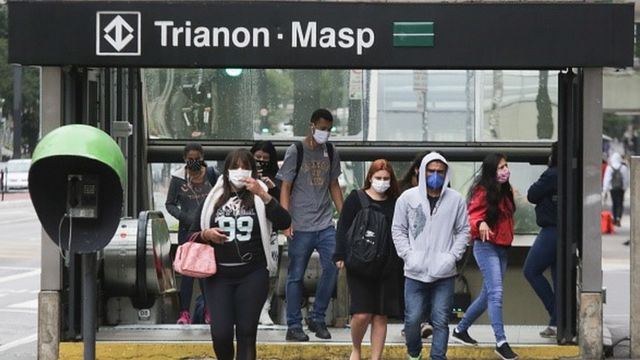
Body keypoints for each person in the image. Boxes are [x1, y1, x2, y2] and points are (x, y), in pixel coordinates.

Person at [189, 149, 291, 360]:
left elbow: (284, 222)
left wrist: (262, 194)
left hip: (252, 274)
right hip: (218, 276)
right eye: (235, 167)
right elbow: (191, 234)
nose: (240, 171)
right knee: (221, 333)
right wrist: (206, 234)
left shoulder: (261, 196)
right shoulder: (214, 198)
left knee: (246, 333)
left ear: (253, 171)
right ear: (226, 171)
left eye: (245, 167)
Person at [392, 152, 469, 360]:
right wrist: (408, 255)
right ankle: (414, 354)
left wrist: (452, 257)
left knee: (441, 319)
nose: (435, 175)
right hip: (414, 271)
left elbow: (463, 231)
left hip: (444, 273)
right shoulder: (408, 198)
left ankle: (438, 357)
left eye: (440, 172)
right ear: (422, 171)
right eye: (431, 171)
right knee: (412, 319)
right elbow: (398, 229)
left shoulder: (456, 200)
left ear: (446, 174)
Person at [276, 108, 344, 341]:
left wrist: (342, 216)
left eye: (328, 130)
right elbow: (285, 186)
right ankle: (293, 325)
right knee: (295, 275)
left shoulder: (332, 151)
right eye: (321, 128)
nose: (324, 133)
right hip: (300, 224)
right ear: (312, 126)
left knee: (333, 267)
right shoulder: (296, 150)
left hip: (325, 223)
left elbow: (334, 184)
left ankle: (317, 317)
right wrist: (286, 221)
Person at [333, 159, 403, 360]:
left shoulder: (396, 201)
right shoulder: (356, 198)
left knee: (380, 315)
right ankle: (356, 347)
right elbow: (343, 226)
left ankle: (376, 357)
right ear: (370, 178)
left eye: (386, 178)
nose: (382, 182)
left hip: (387, 264)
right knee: (362, 313)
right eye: (378, 178)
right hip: (359, 263)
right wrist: (339, 255)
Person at [452, 153, 518, 360]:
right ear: (491, 171)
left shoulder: (505, 192)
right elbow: (471, 216)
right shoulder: (481, 191)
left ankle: (460, 330)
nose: (505, 170)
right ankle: (501, 342)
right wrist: (480, 223)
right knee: (496, 293)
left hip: (502, 247)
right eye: (500, 167)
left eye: (506, 166)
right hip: (485, 246)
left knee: (487, 295)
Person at [166, 142, 213, 325]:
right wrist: (184, 217)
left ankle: (209, 310)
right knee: (187, 273)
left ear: (202, 158)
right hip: (187, 231)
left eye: (197, 159)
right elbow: (170, 204)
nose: (194, 162)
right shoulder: (178, 178)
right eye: (190, 159)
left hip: (207, 230)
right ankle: (184, 313)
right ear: (185, 159)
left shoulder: (211, 175)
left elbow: (220, 195)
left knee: (206, 271)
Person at [523, 142, 558, 338]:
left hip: (551, 230)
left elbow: (532, 194)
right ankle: (556, 322)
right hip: (564, 231)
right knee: (558, 276)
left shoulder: (552, 174)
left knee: (531, 270)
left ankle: (556, 314)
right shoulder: (569, 172)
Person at [250, 140, 281, 325]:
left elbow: (280, 209)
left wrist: (272, 189)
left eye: (265, 158)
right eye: (258, 157)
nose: (261, 161)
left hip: (270, 231)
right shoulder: (244, 176)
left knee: (271, 270)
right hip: (251, 231)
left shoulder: (275, 179)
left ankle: (265, 308)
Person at [602, 152, 630, 227]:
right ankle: (618, 218)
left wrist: (605, 190)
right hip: (621, 189)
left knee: (614, 203)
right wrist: (625, 187)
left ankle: (614, 218)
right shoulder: (623, 168)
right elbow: (626, 179)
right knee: (620, 203)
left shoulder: (609, 168)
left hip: (613, 189)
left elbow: (607, 179)